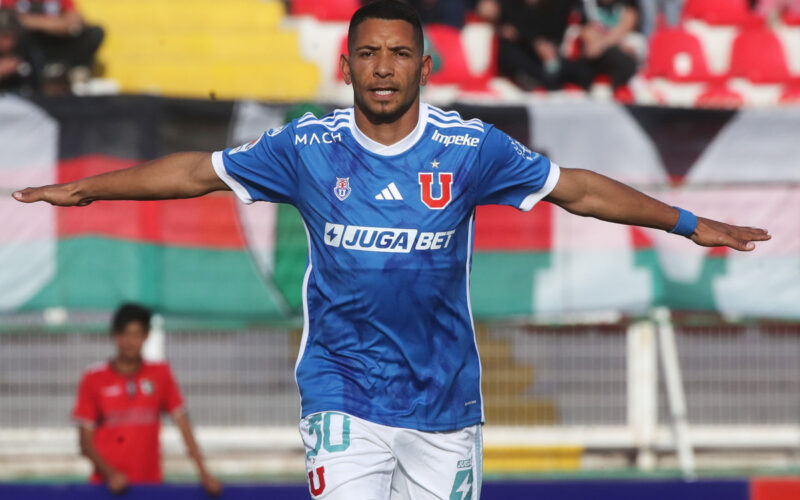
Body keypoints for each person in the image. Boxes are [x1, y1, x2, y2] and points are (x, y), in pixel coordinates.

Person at [14, 1, 769, 498]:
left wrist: (684, 221)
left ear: (423, 66)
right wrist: (87, 190)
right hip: (344, 394)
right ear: (345, 65)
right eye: (367, 52)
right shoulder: (304, 147)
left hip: (446, 402)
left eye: (398, 53)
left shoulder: (468, 148)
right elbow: (192, 172)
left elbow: (575, 188)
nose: (382, 66)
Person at [71, 303, 222, 496]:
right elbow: (85, 443)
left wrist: (204, 473)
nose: (130, 341)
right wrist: (111, 475)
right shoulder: (94, 378)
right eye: (124, 334)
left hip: (150, 486)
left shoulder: (160, 374)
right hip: (106, 488)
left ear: (146, 336)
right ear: (115, 335)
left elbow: (183, 426)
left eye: (137, 334)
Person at [477, 0, 594, 91]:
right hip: (522, 53)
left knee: (583, 72)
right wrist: (535, 42)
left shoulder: (559, 5)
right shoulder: (508, 4)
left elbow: (559, 31)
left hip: (551, 55)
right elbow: (499, 24)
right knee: (511, 56)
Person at [0, 0, 103, 90]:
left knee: (94, 33)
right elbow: (10, 19)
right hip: (26, 47)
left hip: (56, 41)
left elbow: (76, 20)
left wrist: (40, 24)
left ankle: (72, 71)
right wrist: (55, 23)